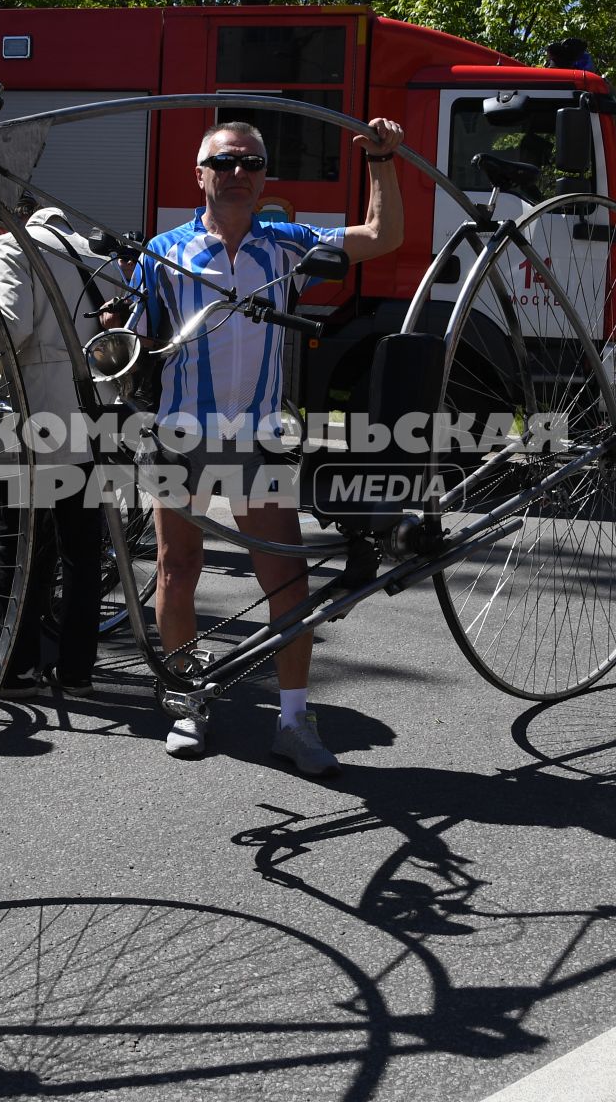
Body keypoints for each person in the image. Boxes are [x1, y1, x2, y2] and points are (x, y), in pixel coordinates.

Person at [127, 117, 406, 775]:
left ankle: (293, 720)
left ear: (263, 178)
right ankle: (189, 701)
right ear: (199, 174)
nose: (238, 173)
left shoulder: (285, 246)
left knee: (286, 577)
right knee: (177, 570)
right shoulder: (162, 252)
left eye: (252, 162)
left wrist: (383, 163)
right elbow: (133, 343)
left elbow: (382, 237)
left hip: (256, 437)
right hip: (181, 433)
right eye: (224, 162)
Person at [0, 205, 112, 702]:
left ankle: (17, 668)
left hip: (36, 414)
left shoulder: (14, 245)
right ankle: (77, 671)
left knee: (20, 544)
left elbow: (12, 327)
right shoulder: (97, 253)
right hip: (98, 413)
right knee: (81, 549)